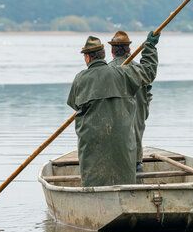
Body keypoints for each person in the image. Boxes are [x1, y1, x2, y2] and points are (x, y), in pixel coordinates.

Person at [67, 32, 160, 187]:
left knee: (94, 182)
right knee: (127, 176)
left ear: (88, 58)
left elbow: (74, 104)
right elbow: (149, 72)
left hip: (92, 150)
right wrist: (149, 47)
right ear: (104, 55)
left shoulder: (80, 79)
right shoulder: (123, 74)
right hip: (125, 148)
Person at [108, 30, 152, 178]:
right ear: (129, 50)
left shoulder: (105, 72)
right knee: (136, 167)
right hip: (136, 143)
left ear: (112, 51)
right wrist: (150, 47)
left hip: (113, 147)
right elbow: (147, 96)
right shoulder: (139, 71)